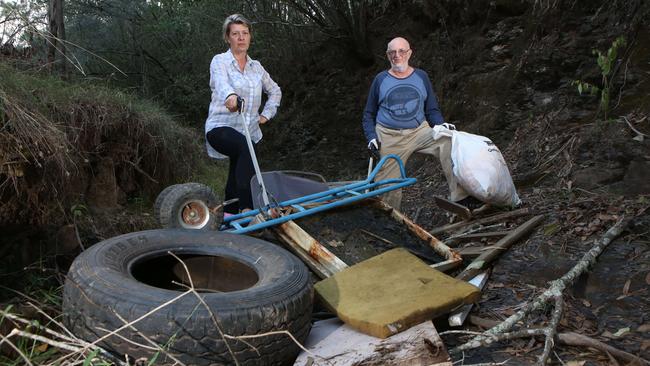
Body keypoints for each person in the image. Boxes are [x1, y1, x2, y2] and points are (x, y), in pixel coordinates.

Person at [362, 36, 480, 211]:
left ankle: (462, 198)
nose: (397, 55)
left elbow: (431, 108)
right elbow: (368, 114)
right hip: (389, 136)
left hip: (419, 131)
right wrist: (371, 137)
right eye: (392, 52)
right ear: (387, 56)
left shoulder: (421, 76)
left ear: (409, 53)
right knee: (388, 187)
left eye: (401, 51)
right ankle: (390, 218)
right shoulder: (380, 79)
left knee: (449, 142)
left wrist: (440, 125)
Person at [205, 14, 281, 215]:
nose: (241, 38)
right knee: (245, 147)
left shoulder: (257, 67)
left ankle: (230, 213)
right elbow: (221, 83)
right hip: (220, 127)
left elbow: (275, 90)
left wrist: (266, 115)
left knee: (239, 161)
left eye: (245, 33)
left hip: (249, 130)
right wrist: (230, 96)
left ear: (250, 37)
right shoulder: (219, 61)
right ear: (227, 38)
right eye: (235, 34)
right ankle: (247, 209)